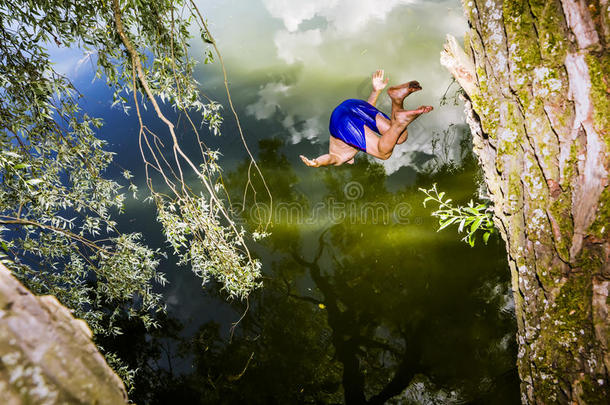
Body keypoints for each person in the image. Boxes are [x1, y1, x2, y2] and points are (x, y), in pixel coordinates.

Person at [299, 70, 433, 167]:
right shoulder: (356, 142)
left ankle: (401, 121)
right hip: (351, 105)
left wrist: (317, 162)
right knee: (400, 137)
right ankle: (397, 98)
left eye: (351, 161)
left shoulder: (341, 157)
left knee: (384, 153)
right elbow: (364, 113)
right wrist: (376, 91)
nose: (352, 160)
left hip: (341, 123)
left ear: (349, 161)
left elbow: (329, 159)